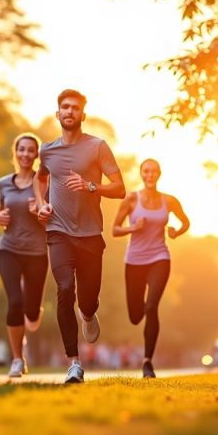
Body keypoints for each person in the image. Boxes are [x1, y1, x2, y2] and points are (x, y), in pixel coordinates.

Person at [34, 89, 125, 384]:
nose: (69, 111)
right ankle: (74, 363)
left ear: (82, 115)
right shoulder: (47, 150)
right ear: (58, 113)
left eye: (75, 108)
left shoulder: (97, 147)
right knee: (63, 290)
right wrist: (41, 203)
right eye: (64, 107)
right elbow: (40, 177)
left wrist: (90, 187)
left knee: (87, 300)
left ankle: (88, 314)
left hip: (89, 235)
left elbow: (120, 187)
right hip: (58, 231)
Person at [112, 158, 189, 379]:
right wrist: (132, 228)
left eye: (154, 171)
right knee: (136, 316)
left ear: (159, 174)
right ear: (141, 174)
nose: (150, 174)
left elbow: (186, 222)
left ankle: (147, 362)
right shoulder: (130, 199)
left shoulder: (170, 201)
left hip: (159, 257)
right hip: (134, 261)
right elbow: (114, 230)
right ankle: (144, 310)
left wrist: (176, 232)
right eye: (146, 171)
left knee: (152, 306)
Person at [0, 132, 49, 378]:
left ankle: (34, 310)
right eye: (22, 149)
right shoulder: (4, 182)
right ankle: (17, 359)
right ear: (15, 152)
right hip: (9, 248)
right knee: (14, 301)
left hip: (37, 251)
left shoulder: (45, 183)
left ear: (36, 155)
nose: (26, 154)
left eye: (31, 150)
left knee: (31, 311)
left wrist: (40, 214)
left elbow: (54, 221)